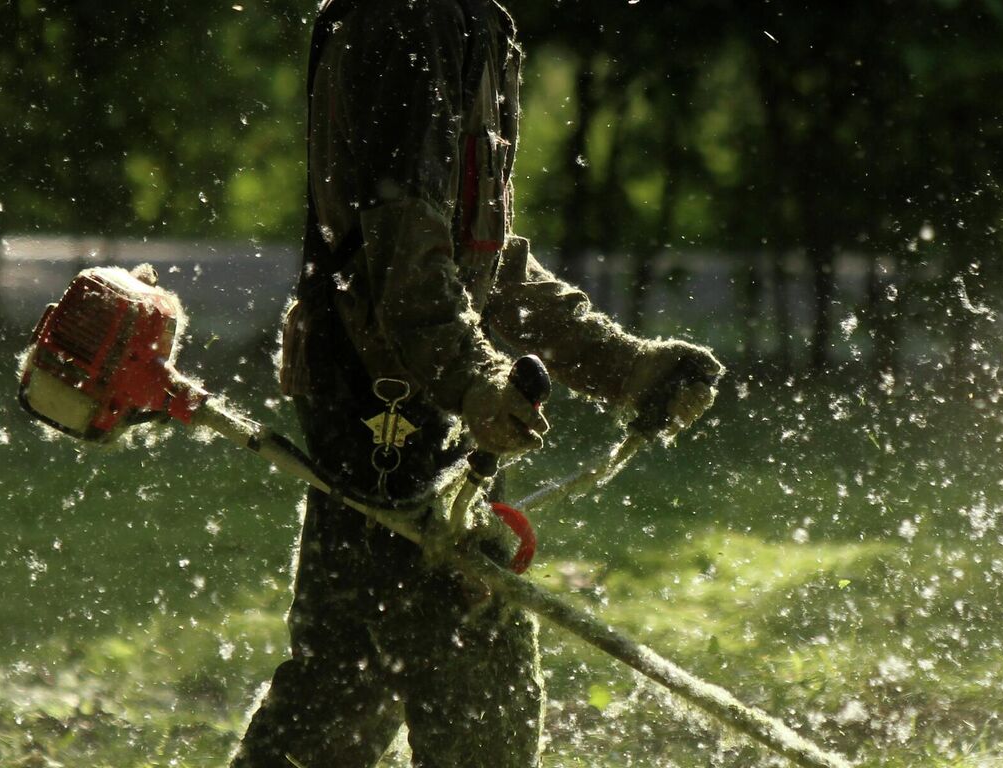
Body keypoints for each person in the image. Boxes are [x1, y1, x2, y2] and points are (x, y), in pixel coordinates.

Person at [230, 0, 723, 765]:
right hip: (381, 407)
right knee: (454, 685)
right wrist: (475, 381)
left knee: (348, 690)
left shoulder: (471, 23)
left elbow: (482, 264)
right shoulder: (407, 20)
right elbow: (404, 259)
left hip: (411, 402)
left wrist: (625, 365)